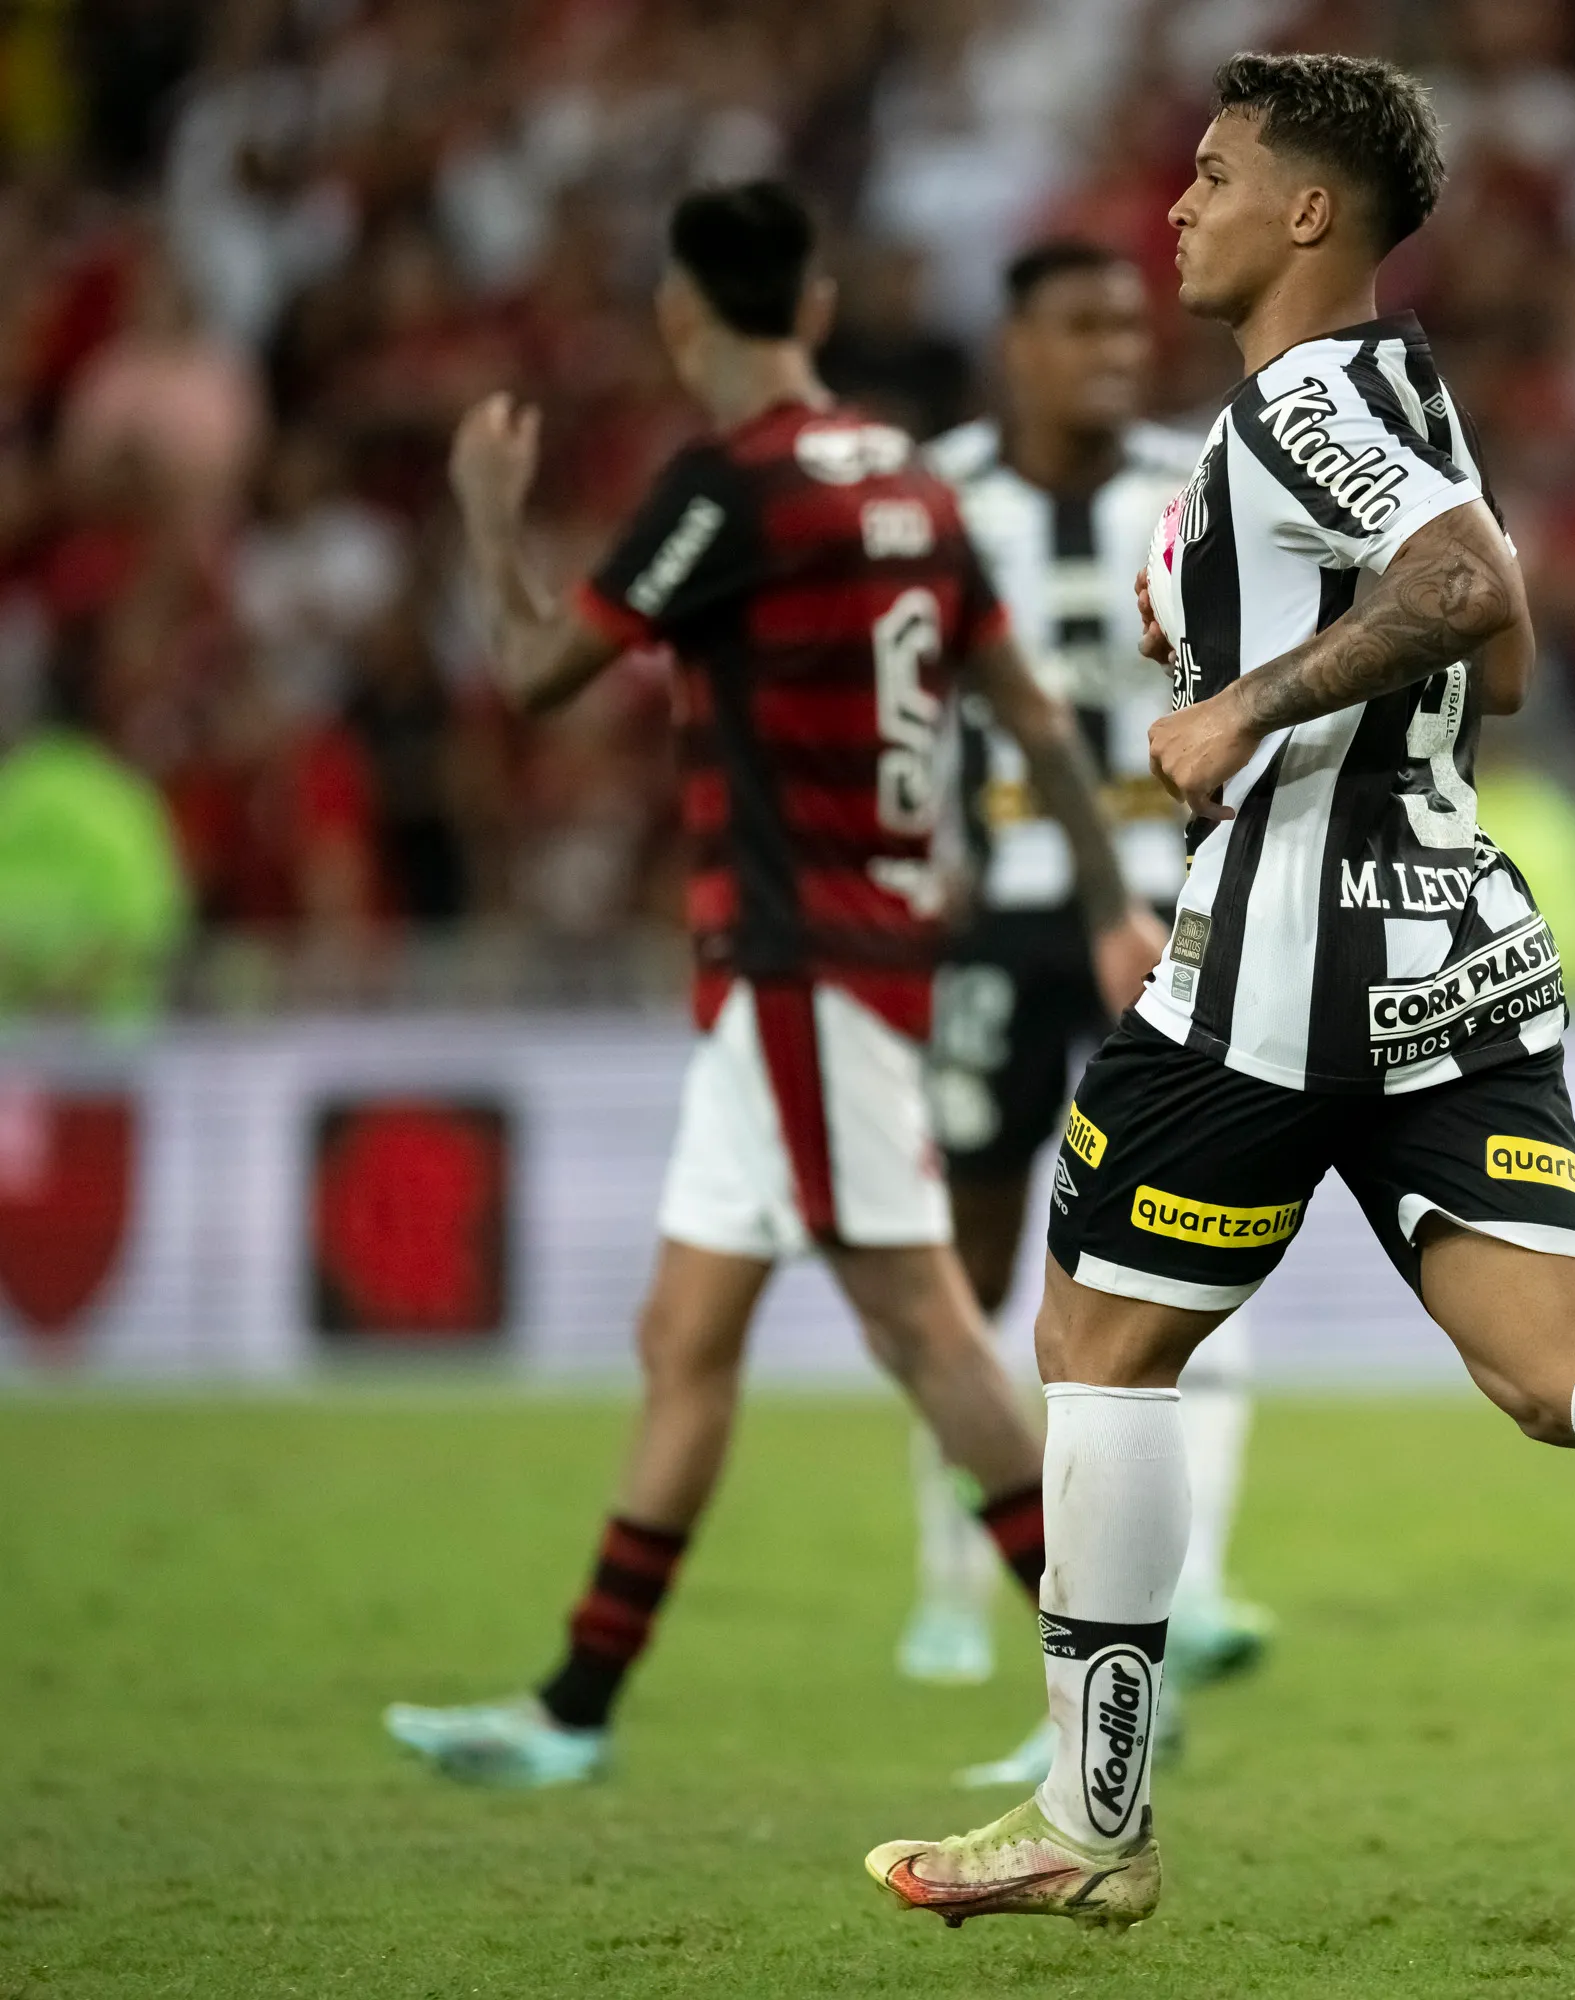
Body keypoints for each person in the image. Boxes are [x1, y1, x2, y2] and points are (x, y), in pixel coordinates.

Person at [864, 55, 1575, 1933]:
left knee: (1094, 1343)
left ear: (1309, 213)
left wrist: (1241, 703)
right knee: (1556, 1359)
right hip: (1453, 929)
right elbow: (1504, 652)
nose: (1180, 206)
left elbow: (1470, 580)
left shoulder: (1307, 399)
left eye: (1217, 174)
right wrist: (1340, 649)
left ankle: (1094, 1819)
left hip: (1279, 948)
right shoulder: (1402, 390)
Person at [382, 181, 1162, 1787]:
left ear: (683, 317)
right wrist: (1105, 898)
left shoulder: (727, 491)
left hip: (807, 964)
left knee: (931, 1333)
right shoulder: (906, 478)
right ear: (809, 310)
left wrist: (484, 512)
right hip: (813, 973)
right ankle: (575, 1711)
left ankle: (1109, 1693)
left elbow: (535, 676)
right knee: (685, 1334)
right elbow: (1025, 715)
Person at [898, 238, 1272, 1786]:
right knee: (972, 1268)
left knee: (1180, 1243)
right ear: (1015, 344)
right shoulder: (933, 495)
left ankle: (1188, 1590)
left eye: (1130, 323)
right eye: (1080, 325)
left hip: (1158, 916)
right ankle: (946, 1592)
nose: (1117, 347)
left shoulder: (1197, 485)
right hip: (987, 923)